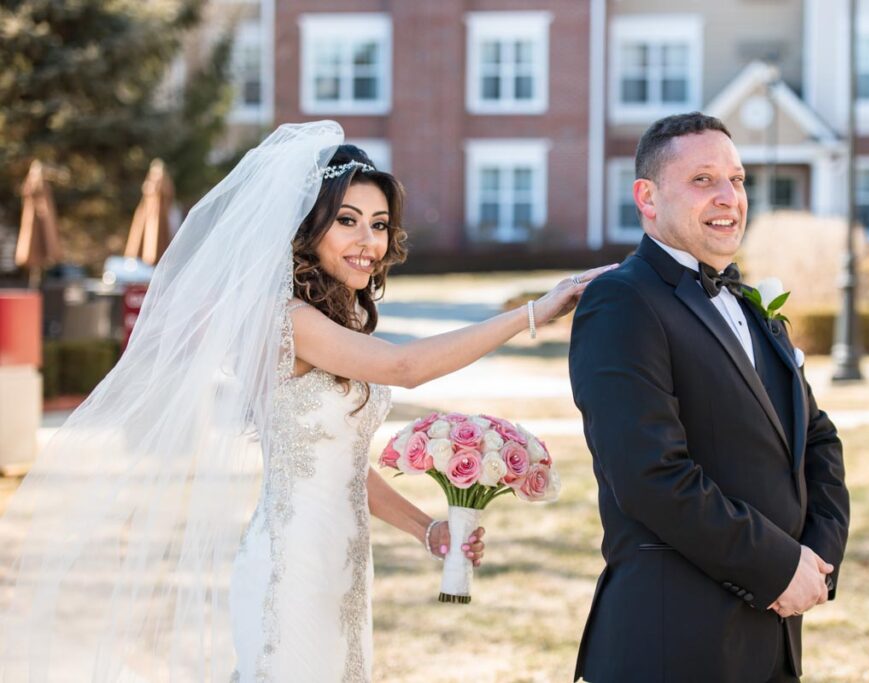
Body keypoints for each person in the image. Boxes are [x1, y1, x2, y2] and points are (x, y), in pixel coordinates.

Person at [0, 121, 613, 682]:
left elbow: (340, 466)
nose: (368, 240)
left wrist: (426, 530)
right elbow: (404, 368)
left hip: (342, 562)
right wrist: (531, 315)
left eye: (379, 224)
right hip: (289, 567)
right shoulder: (286, 320)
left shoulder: (342, 322)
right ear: (307, 229)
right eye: (347, 220)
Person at [568, 112, 850, 682]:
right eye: (702, 180)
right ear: (647, 197)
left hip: (774, 639)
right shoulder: (622, 301)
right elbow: (651, 475)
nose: (729, 196)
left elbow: (815, 437)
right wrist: (777, 568)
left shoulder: (749, 302)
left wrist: (816, 559)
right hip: (673, 642)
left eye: (737, 179)